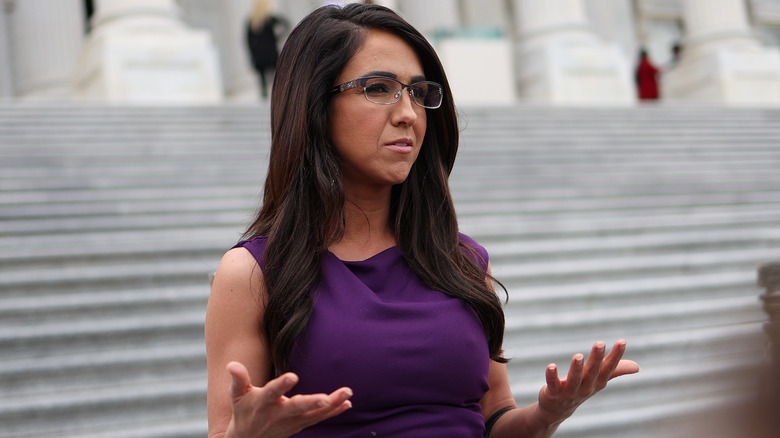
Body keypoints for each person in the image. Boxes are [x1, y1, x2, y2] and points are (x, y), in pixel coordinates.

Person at [206, 4, 640, 437]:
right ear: (314, 104)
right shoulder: (252, 274)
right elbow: (227, 428)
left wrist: (547, 415)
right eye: (378, 88)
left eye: (418, 92)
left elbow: (494, 417)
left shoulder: (464, 260)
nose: (409, 114)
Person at [246, 0, 288, 99]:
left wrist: (252, 55)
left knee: (263, 82)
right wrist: (279, 36)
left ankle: (265, 96)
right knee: (278, 77)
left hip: (259, 55)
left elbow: (248, 40)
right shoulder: (270, 19)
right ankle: (278, 95)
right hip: (271, 52)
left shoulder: (252, 21)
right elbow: (286, 24)